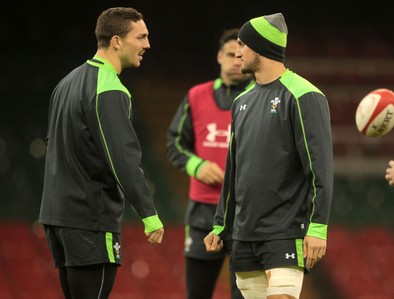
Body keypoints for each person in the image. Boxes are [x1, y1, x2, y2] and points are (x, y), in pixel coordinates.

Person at [204, 13, 333, 299]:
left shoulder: (304, 95)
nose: (237, 53)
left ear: (260, 47)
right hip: (244, 236)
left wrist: (318, 228)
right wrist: (221, 225)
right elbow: (233, 170)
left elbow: (320, 169)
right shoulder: (241, 102)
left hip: (284, 233)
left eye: (241, 44)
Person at [39, 7, 164, 299]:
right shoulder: (108, 87)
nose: (147, 45)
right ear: (117, 41)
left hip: (58, 216)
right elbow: (123, 157)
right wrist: (149, 213)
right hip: (89, 219)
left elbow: (53, 142)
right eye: (141, 37)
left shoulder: (66, 83)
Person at [166, 28, 253, 299]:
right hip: (203, 211)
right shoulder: (196, 96)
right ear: (219, 56)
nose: (236, 60)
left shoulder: (261, 98)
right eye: (230, 54)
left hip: (245, 212)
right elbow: (175, 144)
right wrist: (198, 166)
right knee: (197, 293)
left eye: (241, 55)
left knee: (244, 295)